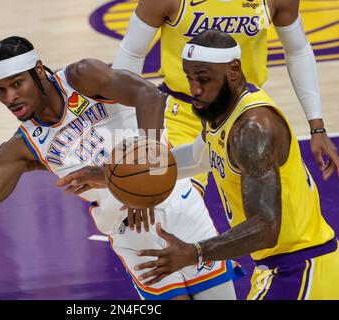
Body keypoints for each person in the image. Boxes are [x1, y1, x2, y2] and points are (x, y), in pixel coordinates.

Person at [0, 36, 243, 300]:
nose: (10, 97)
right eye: (1, 91)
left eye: (17, 84)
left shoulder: (83, 77)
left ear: (38, 71)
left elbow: (149, 97)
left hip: (174, 201)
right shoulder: (22, 147)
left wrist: (148, 174)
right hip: (131, 231)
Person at [130, 30, 339, 300]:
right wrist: (132, 175)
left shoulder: (252, 130)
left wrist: (195, 253)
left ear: (233, 70)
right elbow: (197, 159)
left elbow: (266, 228)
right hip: (278, 266)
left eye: (203, 79)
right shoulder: (217, 109)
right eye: (189, 77)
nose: (193, 89)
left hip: (301, 267)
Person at [112, 0, 339, 198]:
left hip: (244, 114)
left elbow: (298, 50)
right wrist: (126, 131)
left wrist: (317, 127)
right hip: (183, 113)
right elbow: (132, 52)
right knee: (171, 205)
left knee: (276, 212)